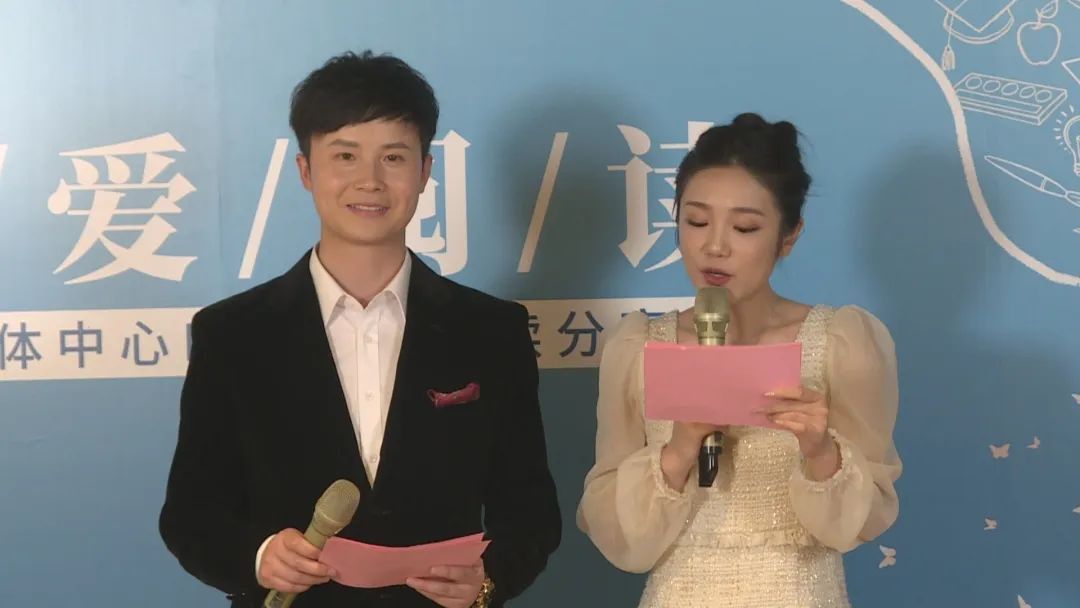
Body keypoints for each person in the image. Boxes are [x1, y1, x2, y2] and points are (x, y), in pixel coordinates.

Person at [159, 50, 561, 608]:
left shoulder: (491, 331)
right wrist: (259, 556)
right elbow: (190, 513)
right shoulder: (233, 334)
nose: (369, 181)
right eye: (345, 156)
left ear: (424, 172)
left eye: (393, 157)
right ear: (306, 171)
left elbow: (531, 513)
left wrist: (488, 582)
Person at [576, 112, 901, 607]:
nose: (714, 246)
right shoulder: (640, 347)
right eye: (696, 221)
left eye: (745, 227)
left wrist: (821, 452)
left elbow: (866, 518)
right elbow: (614, 531)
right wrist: (678, 451)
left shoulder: (840, 343)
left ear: (789, 235)